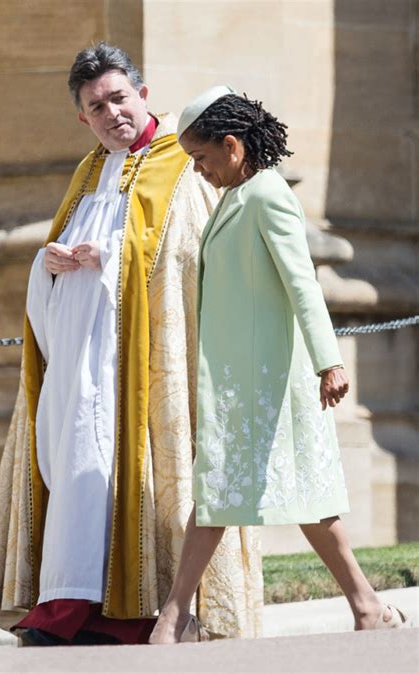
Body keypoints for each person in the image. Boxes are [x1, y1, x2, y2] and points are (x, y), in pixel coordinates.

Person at [0, 47, 264, 645]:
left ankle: (137, 612)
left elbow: (198, 262)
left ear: (143, 93)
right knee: (76, 471)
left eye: (118, 98)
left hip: (149, 370)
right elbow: (65, 255)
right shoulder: (86, 173)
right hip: (80, 364)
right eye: (96, 107)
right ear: (83, 118)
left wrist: (115, 263)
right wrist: (46, 264)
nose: (111, 114)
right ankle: (71, 604)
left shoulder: (185, 165)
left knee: (125, 475)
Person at [149, 86, 407, 644]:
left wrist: (329, 362)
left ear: (233, 146)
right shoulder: (236, 198)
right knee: (218, 491)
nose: (200, 172)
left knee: (298, 496)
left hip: (274, 380)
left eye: (202, 159)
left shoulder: (266, 195)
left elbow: (303, 284)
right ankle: (174, 620)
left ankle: (174, 620)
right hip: (240, 383)